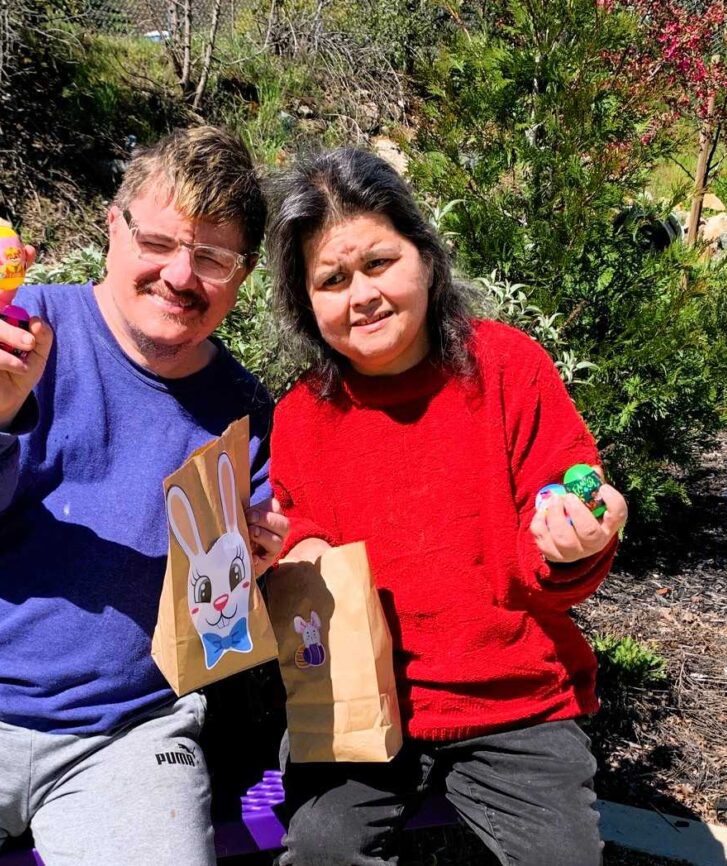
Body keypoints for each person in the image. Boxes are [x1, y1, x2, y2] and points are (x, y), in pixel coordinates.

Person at [0, 126, 289, 866]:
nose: (180, 276)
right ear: (113, 227)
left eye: (212, 258)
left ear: (245, 273)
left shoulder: (240, 409)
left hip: (127, 733)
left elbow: (223, 610)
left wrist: (255, 563)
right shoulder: (13, 330)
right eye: (158, 243)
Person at [263, 148, 630, 866]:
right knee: (321, 848)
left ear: (426, 259)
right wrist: (296, 552)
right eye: (331, 279)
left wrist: (575, 543)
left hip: (513, 703)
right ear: (307, 304)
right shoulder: (303, 414)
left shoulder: (507, 367)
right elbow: (297, 526)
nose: (360, 294)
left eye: (378, 263)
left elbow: (561, 503)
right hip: (359, 710)